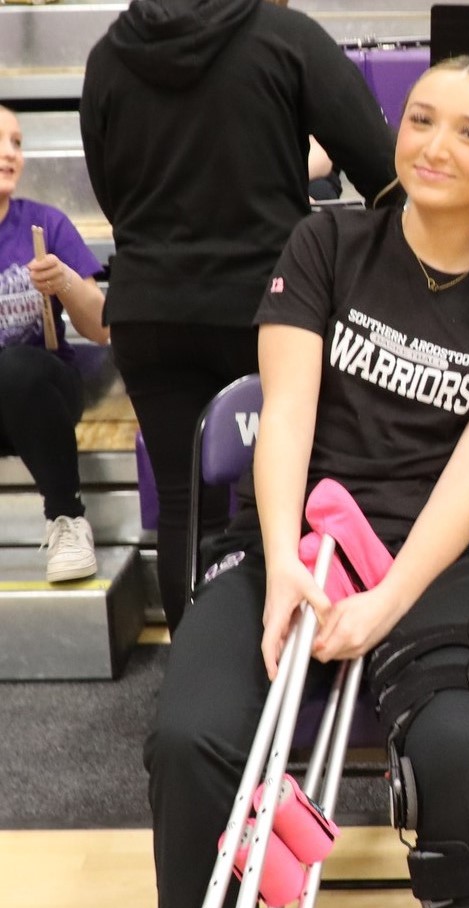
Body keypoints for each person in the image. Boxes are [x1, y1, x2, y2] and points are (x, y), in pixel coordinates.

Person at [143, 58, 469, 908]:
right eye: (421, 120)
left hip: (428, 565)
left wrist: (386, 602)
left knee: (463, 750)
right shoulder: (327, 243)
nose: (433, 146)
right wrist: (282, 562)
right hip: (294, 544)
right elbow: (284, 415)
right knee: (189, 740)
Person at [80, 0, 398, 632]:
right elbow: (386, 174)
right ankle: (296, 665)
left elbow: (111, 195)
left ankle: (194, 671)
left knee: (184, 506)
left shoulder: (110, 53)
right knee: (299, 498)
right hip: (273, 305)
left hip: (151, 308)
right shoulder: (286, 37)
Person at [0, 105, 109, 583]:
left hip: (44, 394)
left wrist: (64, 280)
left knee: (15, 368)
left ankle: (67, 518)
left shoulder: (44, 224)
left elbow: (101, 328)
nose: (10, 153)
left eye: (17, 143)